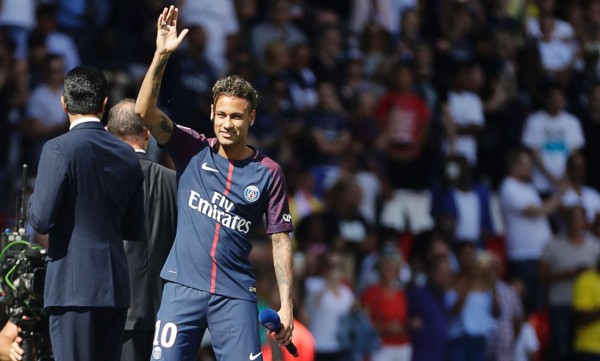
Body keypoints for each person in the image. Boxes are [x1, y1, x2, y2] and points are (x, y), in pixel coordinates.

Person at [134, 6, 294, 360]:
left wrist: (286, 305)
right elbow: (144, 111)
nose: (227, 123)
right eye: (221, 114)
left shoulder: (269, 172)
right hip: (181, 288)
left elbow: (280, 240)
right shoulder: (191, 148)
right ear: (211, 113)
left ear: (251, 118)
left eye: (237, 116)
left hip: (235, 295)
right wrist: (161, 55)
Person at [27, 66, 146, 361]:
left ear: (64, 103)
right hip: (115, 289)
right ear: (105, 105)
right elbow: (134, 229)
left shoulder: (58, 148)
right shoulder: (127, 155)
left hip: (71, 287)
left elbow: (40, 219)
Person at [106, 99, 178, 361]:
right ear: (147, 134)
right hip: (168, 317)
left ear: (107, 134)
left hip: (116, 311)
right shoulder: (175, 182)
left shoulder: (102, 180)